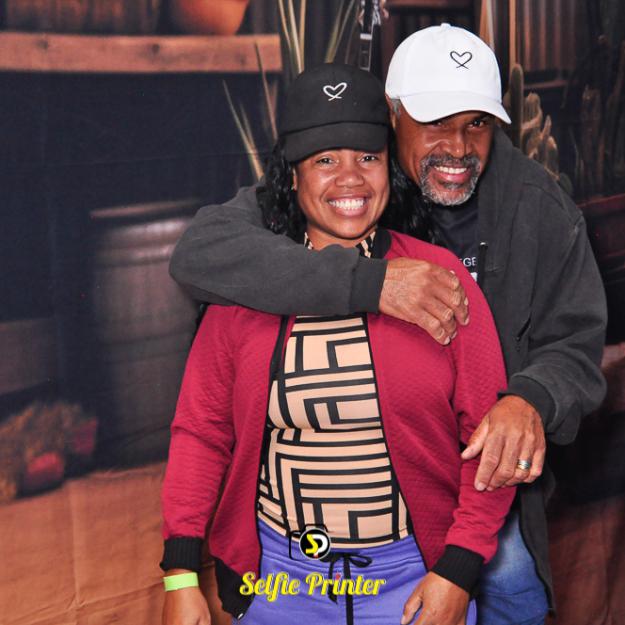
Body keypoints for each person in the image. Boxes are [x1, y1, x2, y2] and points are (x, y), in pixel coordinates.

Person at [168, 26, 607, 624]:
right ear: (392, 117)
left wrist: (530, 397)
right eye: (436, 123)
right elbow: (201, 258)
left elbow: (575, 340)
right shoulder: (325, 197)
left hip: (468, 489)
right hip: (298, 559)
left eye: (477, 124)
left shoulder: (533, 205)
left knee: (509, 576)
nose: (458, 147)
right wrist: (372, 282)